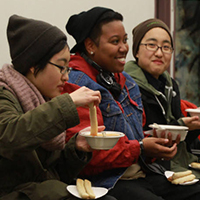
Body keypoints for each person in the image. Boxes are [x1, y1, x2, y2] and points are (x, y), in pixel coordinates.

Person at [65, 6, 200, 200]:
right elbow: (89, 155)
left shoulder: (126, 82)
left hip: (143, 171)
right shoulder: (77, 85)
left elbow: (138, 136)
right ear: (90, 46)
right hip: (106, 181)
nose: (123, 48)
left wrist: (159, 144)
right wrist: (143, 147)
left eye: (125, 40)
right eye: (115, 41)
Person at [0, 14, 117, 200]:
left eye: (68, 69)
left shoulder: (42, 98)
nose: (66, 77)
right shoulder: (4, 94)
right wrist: (67, 104)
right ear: (33, 64)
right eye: (61, 67)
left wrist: (76, 149)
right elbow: (9, 137)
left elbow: (52, 172)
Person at [124, 18, 200, 175]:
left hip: (180, 160)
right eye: (152, 45)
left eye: (166, 47)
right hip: (151, 168)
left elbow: (182, 141)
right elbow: (140, 137)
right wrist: (180, 124)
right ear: (136, 51)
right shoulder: (127, 86)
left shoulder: (170, 84)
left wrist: (192, 126)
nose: (159, 53)